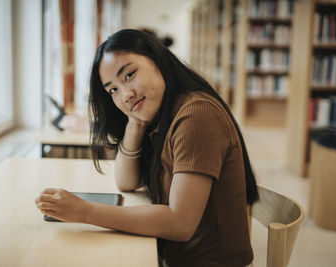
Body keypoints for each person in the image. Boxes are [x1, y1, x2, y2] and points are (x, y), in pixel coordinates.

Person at [35, 29, 259, 267]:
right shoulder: (163, 113)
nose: (126, 95)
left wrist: (84, 212)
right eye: (113, 90)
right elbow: (126, 182)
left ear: (158, 59)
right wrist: (136, 122)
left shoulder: (197, 114)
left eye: (129, 75)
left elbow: (179, 223)